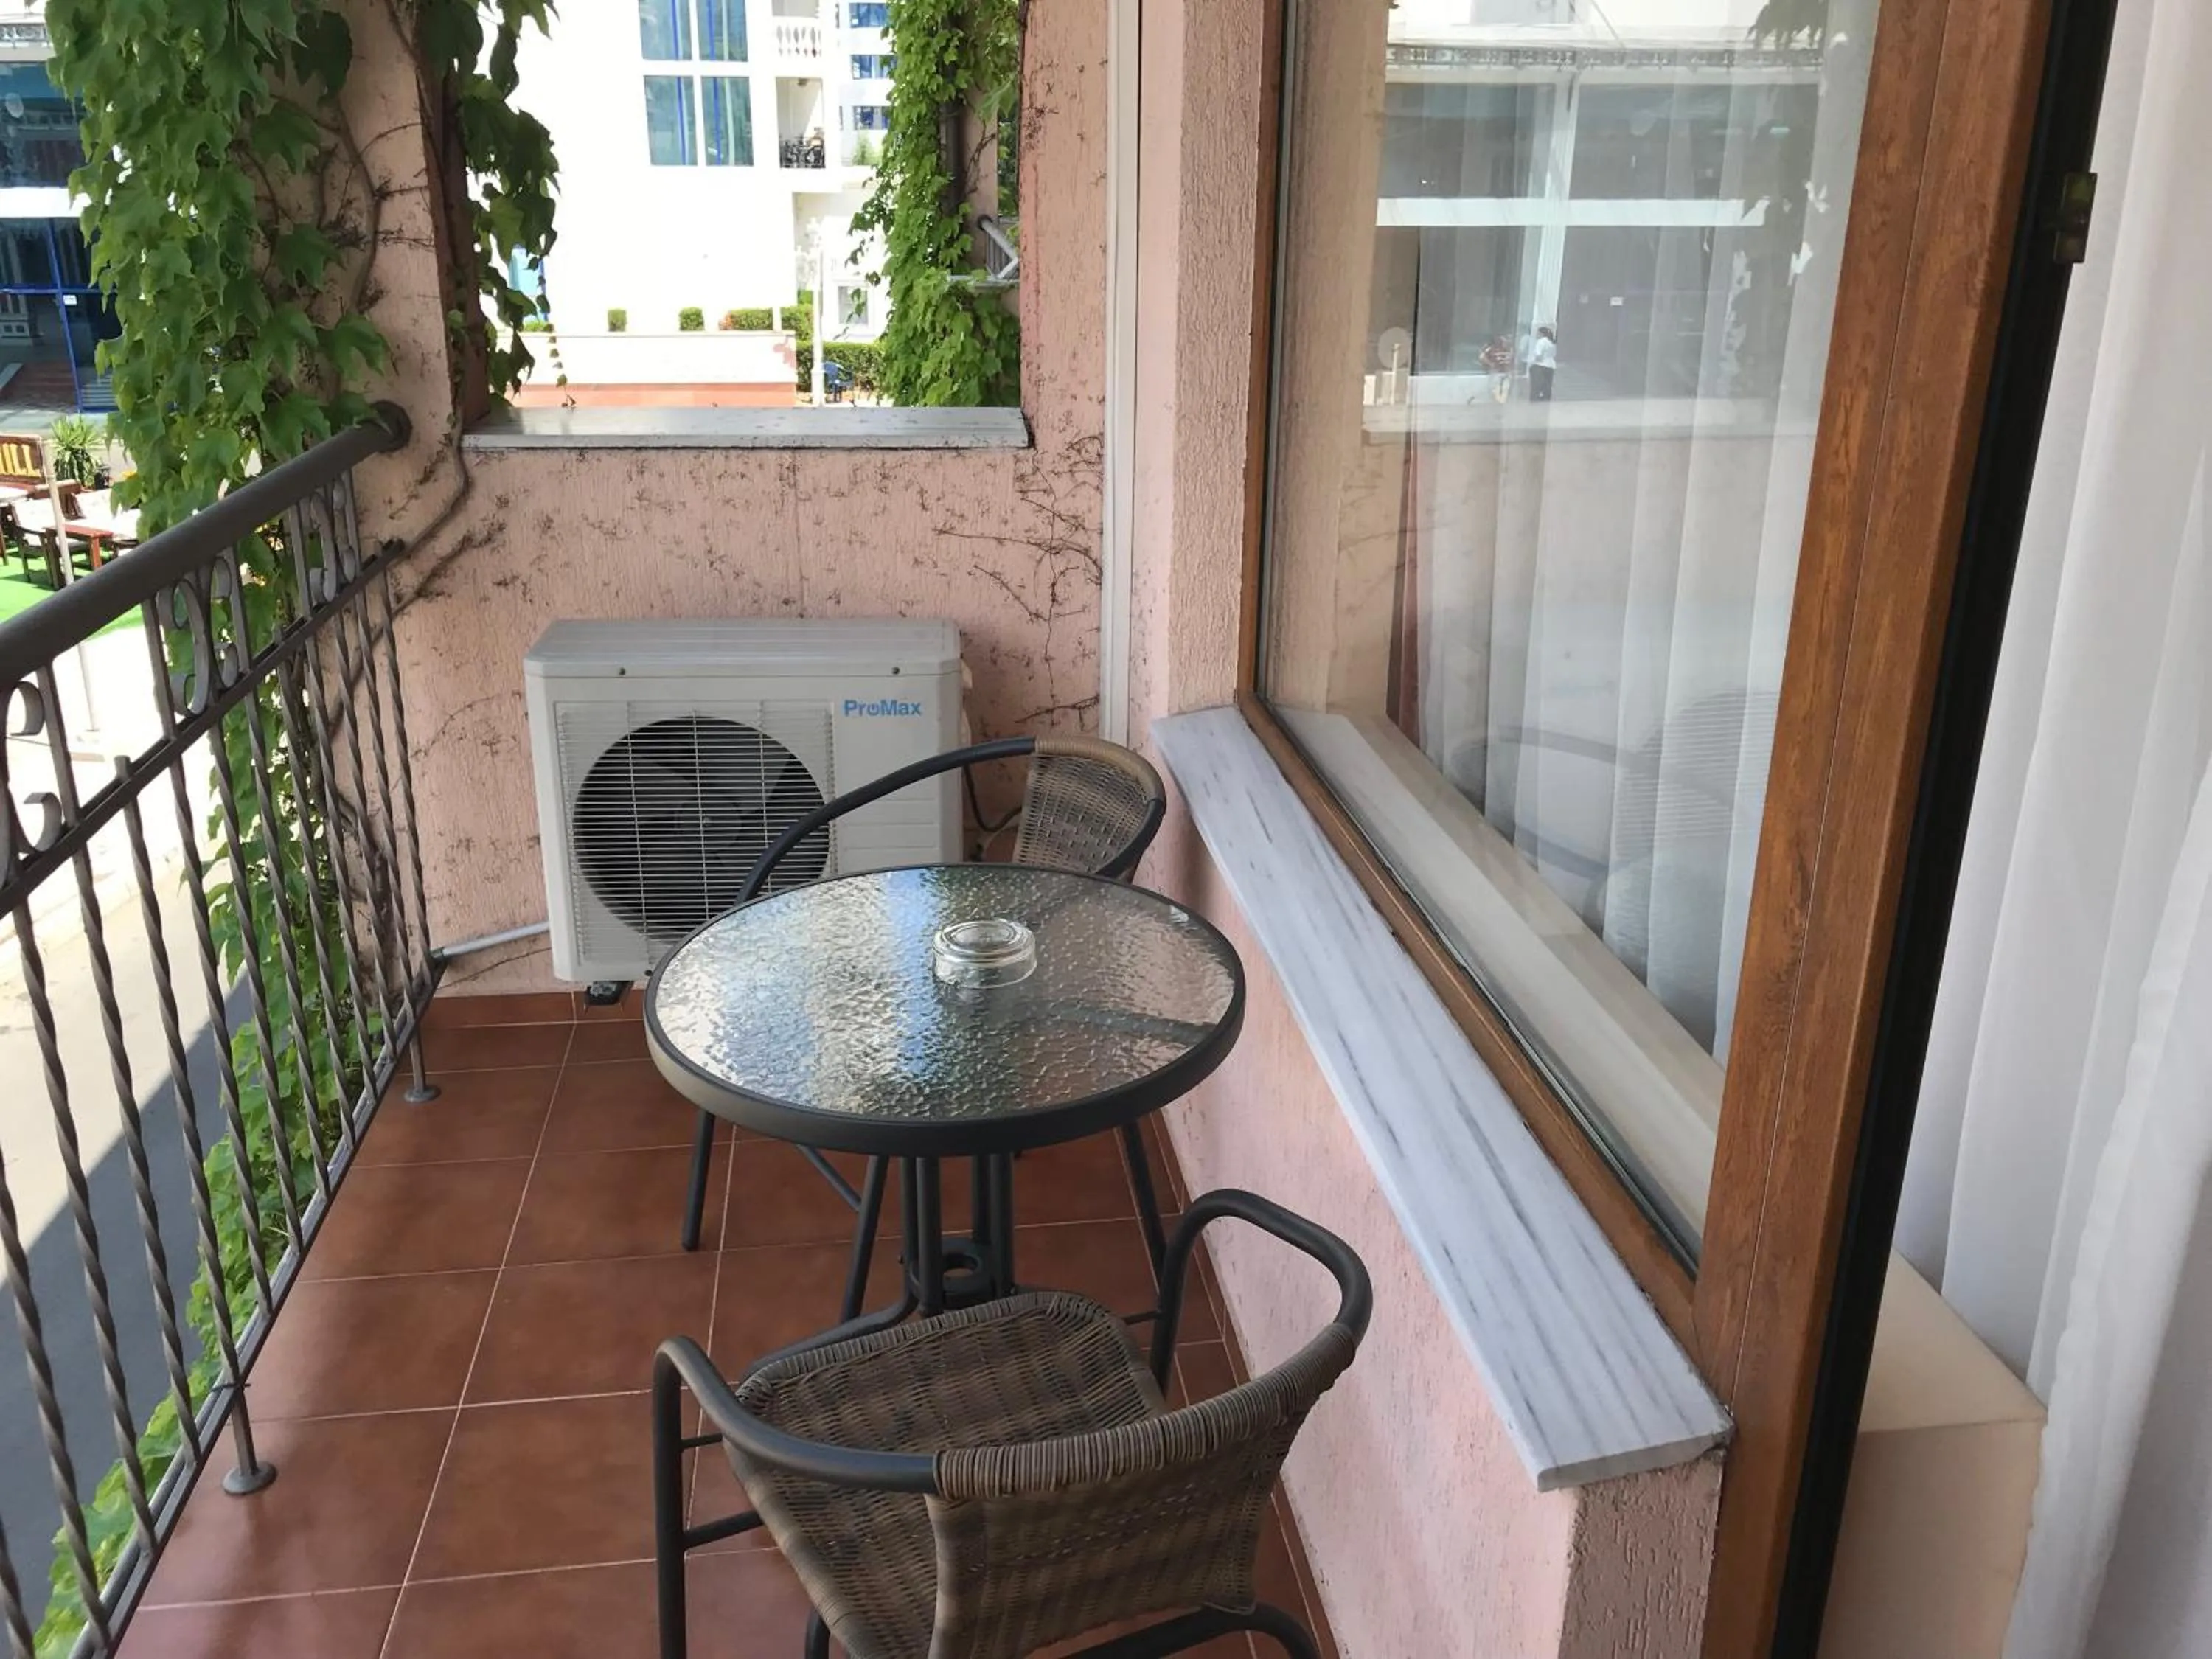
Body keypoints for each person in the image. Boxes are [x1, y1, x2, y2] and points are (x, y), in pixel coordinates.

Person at [1529, 325, 1557, 402]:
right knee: (1547, 387)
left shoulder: (1541, 342)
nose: (1536, 335)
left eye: (1538, 333)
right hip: (1550, 366)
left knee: (1536, 387)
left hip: (1540, 366)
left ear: (1541, 334)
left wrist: (1535, 361)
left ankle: (1534, 404)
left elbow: (1538, 354)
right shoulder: (1551, 343)